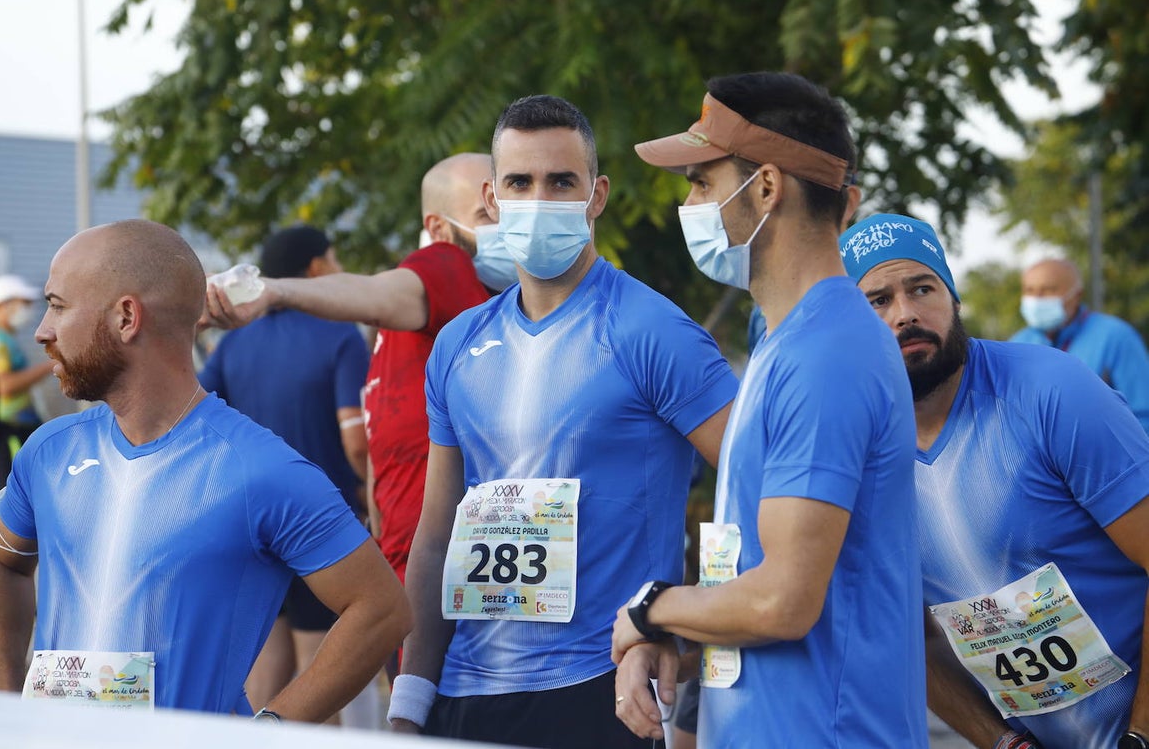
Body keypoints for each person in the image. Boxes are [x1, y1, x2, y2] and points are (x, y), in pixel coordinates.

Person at [386, 95, 737, 749]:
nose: (539, 199)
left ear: (596, 195)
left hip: (603, 690)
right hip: (464, 694)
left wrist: (689, 643)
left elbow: (764, 488)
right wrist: (410, 701)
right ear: (491, 199)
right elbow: (436, 536)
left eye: (561, 181)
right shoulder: (459, 343)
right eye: (520, 182)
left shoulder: (654, 331)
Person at [610, 72, 928, 748]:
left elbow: (783, 600)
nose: (689, 203)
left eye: (701, 181)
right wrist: (679, 633)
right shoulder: (788, 343)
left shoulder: (827, 355)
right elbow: (757, 572)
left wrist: (649, 609)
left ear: (765, 187)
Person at [0, 219, 411, 719]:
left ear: (126, 317)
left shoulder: (263, 468)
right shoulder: (47, 451)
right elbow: (8, 564)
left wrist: (269, 729)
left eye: (58, 306)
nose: (43, 330)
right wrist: (12, 699)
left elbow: (383, 610)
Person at [840, 212, 1149, 749]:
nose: (906, 314)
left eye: (922, 288)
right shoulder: (856, 460)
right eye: (877, 301)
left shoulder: (1051, 393)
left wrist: (1140, 736)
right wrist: (1001, 742)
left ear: (953, 296)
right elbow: (902, 634)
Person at [204, 153, 511, 587]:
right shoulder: (446, 268)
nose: (509, 224)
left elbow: (378, 436)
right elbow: (375, 291)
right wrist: (271, 290)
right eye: (486, 213)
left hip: (435, 550)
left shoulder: (491, 301)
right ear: (440, 230)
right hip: (437, 559)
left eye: (510, 205)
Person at [199, 225, 371, 716]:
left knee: (262, 667)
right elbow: (355, 438)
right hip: (322, 521)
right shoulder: (342, 335)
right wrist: (366, 496)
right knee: (319, 675)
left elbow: (200, 413)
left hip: (249, 518)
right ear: (316, 268)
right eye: (334, 259)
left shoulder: (234, 344)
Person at [1010, 257, 1149, 435]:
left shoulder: (1116, 337)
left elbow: (1144, 416)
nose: (1037, 299)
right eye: (1030, 290)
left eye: (1048, 290)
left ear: (1076, 295)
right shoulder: (1017, 344)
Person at [0, 275, 56, 480]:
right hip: (9, 429)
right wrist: (51, 366)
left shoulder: (7, 339)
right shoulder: (1, 341)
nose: (29, 310)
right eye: (24, 304)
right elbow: (5, 386)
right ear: (4, 305)